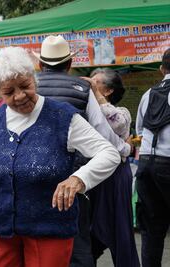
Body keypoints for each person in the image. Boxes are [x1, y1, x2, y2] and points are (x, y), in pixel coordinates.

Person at [0, 46, 120, 267]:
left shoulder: (62, 117)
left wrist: (78, 179)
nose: (20, 96)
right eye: (9, 92)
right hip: (0, 229)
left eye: (25, 86)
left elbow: (109, 153)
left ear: (35, 78)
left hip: (50, 230)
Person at [34, 35, 131, 267]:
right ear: (69, 64)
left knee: (35, 239)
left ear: (40, 64)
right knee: (78, 244)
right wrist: (124, 148)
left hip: (32, 174)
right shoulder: (81, 88)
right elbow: (102, 134)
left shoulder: (28, 87)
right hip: (73, 177)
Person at [83, 68, 140, 266]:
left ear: (107, 91)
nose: (90, 84)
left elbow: (118, 125)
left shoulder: (121, 113)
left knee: (118, 226)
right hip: (92, 174)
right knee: (89, 227)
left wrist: (95, 94)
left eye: (95, 82)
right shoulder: (85, 111)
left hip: (115, 176)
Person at [135, 48, 170, 267]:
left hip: (146, 164)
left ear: (161, 69)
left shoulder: (148, 93)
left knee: (151, 230)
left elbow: (140, 129)